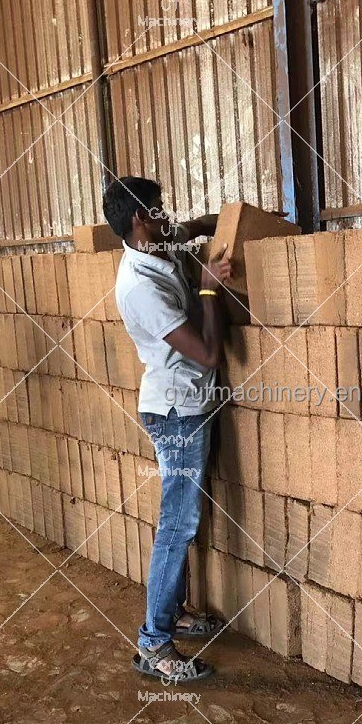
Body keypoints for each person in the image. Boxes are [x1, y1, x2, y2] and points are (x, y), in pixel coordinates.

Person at [103, 176, 231, 683]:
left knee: (183, 517)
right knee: (177, 526)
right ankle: (154, 645)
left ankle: (173, 612)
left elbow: (187, 229)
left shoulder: (152, 243)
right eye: (158, 208)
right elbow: (208, 353)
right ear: (139, 219)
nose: (166, 215)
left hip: (188, 403)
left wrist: (216, 223)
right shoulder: (141, 288)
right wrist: (208, 288)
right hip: (176, 412)